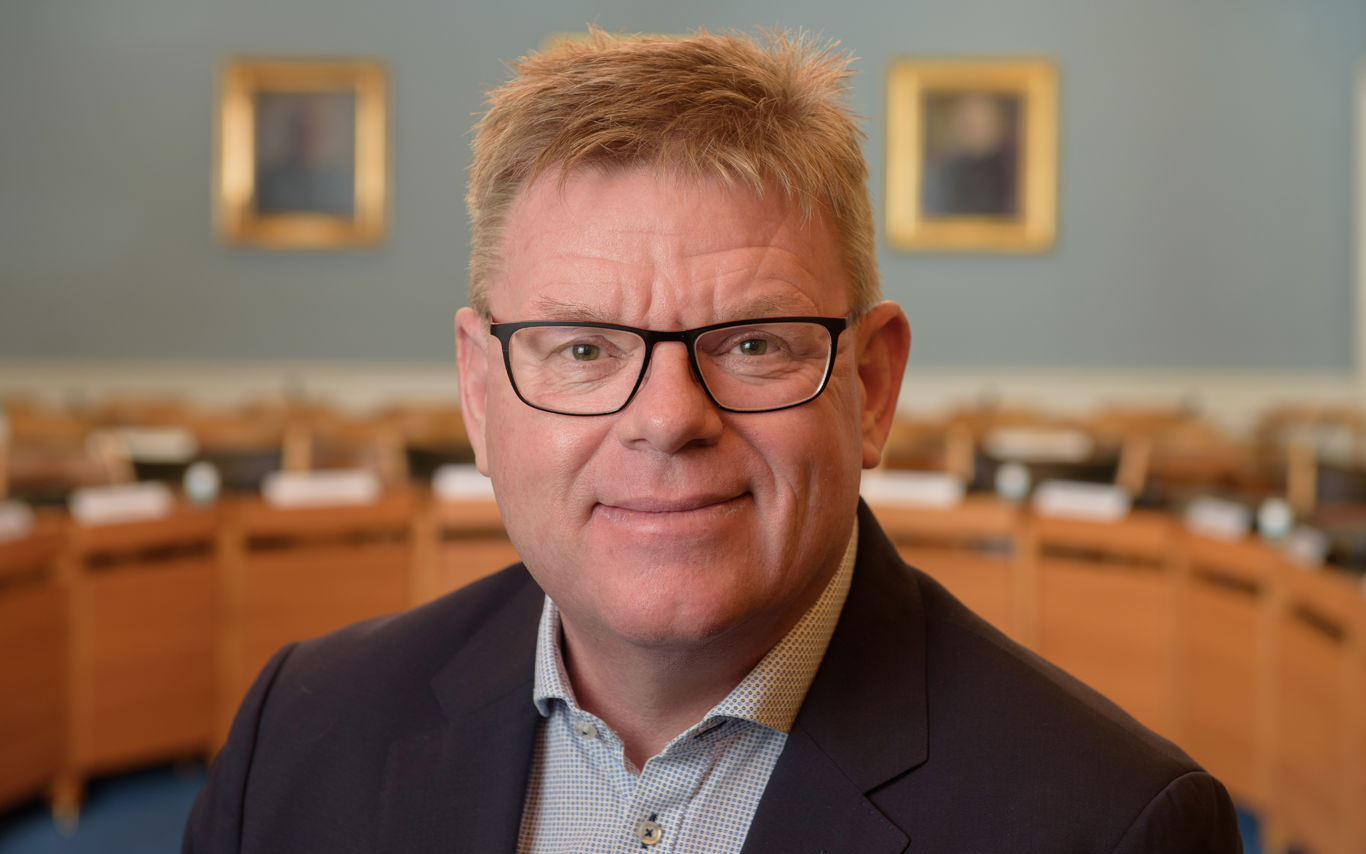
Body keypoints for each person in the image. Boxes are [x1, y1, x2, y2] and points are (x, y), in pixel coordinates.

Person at [184, 30, 1242, 853]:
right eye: (584, 348)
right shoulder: (300, 734)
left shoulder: (1109, 822)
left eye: (751, 343)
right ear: (478, 391)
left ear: (872, 387)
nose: (668, 419)